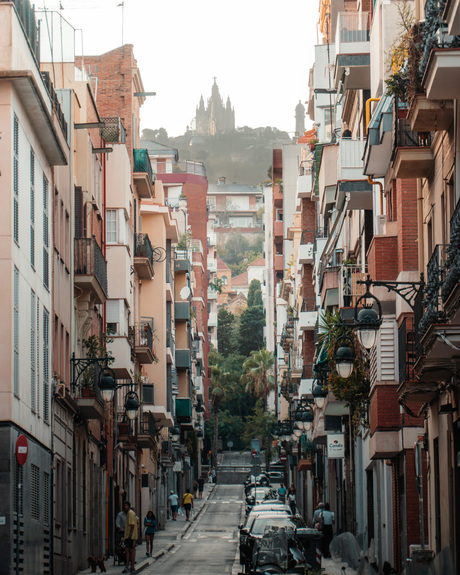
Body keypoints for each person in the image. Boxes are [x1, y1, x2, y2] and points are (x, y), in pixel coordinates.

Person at [122, 501, 138, 574]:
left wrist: (130, 535)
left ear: (128, 506)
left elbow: (132, 525)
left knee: (129, 551)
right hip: (129, 536)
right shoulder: (129, 513)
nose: (125, 507)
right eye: (124, 505)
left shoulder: (130, 513)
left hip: (130, 537)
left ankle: (130, 566)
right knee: (128, 551)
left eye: (126, 505)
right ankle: (129, 566)